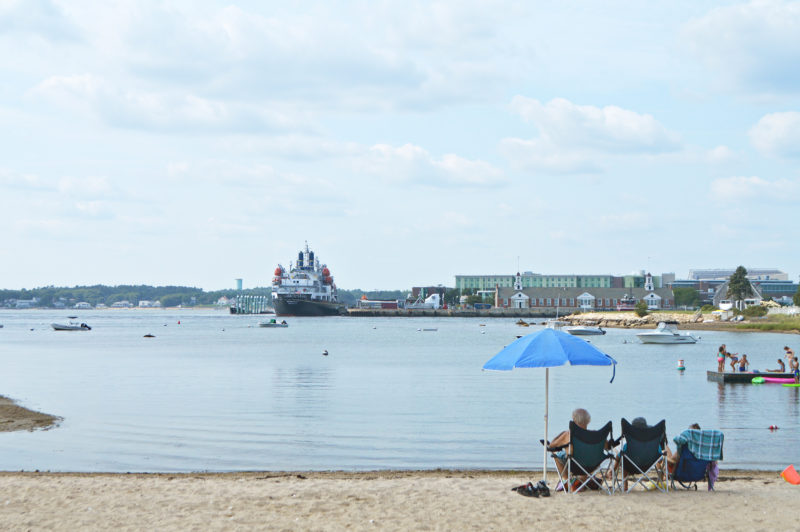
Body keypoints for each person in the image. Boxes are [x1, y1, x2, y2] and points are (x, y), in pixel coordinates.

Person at [549, 408, 592, 481]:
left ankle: (567, 480)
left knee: (555, 453)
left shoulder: (568, 434)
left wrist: (562, 434)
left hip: (573, 464)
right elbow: (608, 446)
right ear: (588, 421)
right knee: (586, 456)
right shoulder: (593, 435)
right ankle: (582, 481)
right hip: (591, 464)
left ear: (574, 420)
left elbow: (551, 445)